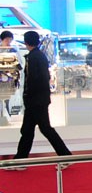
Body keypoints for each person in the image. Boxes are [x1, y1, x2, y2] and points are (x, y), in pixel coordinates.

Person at [14, 30, 72, 159]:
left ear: (26, 42)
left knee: (43, 129)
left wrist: (27, 96)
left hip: (35, 100)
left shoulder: (33, 57)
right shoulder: (39, 56)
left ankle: (65, 155)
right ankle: (20, 158)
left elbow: (33, 80)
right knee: (28, 130)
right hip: (38, 99)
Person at [0, 29, 24, 123]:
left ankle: (8, 115)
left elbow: (19, 64)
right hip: (1, 77)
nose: (8, 42)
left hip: (10, 78)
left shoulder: (13, 50)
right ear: (2, 39)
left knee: (7, 97)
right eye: (7, 39)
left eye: (10, 39)